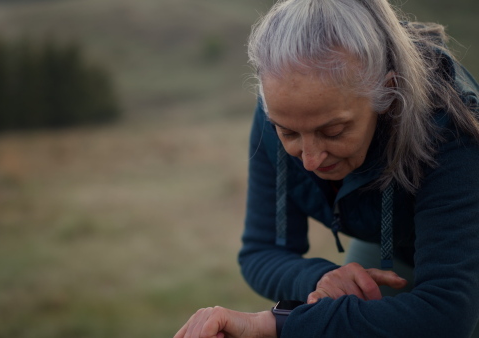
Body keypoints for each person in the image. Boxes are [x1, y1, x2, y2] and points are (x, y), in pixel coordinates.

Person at [175, 0, 479, 337]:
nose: (309, 159)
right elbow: (263, 250)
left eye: (333, 132)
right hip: (391, 242)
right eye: (289, 133)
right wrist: (320, 279)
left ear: (388, 93)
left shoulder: (449, 127)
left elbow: (447, 315)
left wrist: (277, 324)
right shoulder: (280, 111)